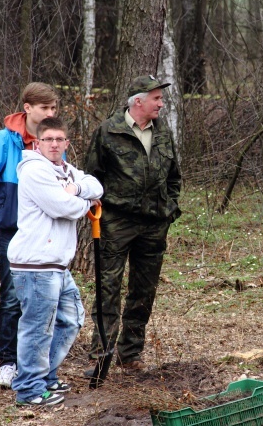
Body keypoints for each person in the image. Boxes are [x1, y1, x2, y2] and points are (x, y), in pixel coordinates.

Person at [85, 75, 182, 372]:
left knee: (144, 290)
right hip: (117, 222)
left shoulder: (163, 132)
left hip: (154, 224)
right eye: (156, 98)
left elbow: (174, 176)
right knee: (108, 288)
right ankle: (101, 357)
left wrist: (169, 208)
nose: (161, 103)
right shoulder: (108, 131)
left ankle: (131, 355)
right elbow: (92, 176)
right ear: (138, 101)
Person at [0, 82, 59, 388]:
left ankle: (35, 362)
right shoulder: (5, 140)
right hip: (11, 231)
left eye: (54, 108)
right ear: (28, 108)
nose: (50, 113)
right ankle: (7, 363)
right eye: (45, 108)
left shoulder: (50, 141)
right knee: (11, 297)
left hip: (43, 231)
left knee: (43, 296)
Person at [8, 117, 103, 406]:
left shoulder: (65, 170)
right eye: (48, 139)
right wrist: (84, 202)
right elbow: (63, 208)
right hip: (36, 264)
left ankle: (45, 376)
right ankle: (28, 389)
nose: (54, 144)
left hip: (57, 265)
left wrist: (76, 190)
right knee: (37, 328)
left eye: (59, 139)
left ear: (67, 143)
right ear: (37, 142)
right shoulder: (34, 171)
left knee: (71, 318)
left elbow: (96, 185)